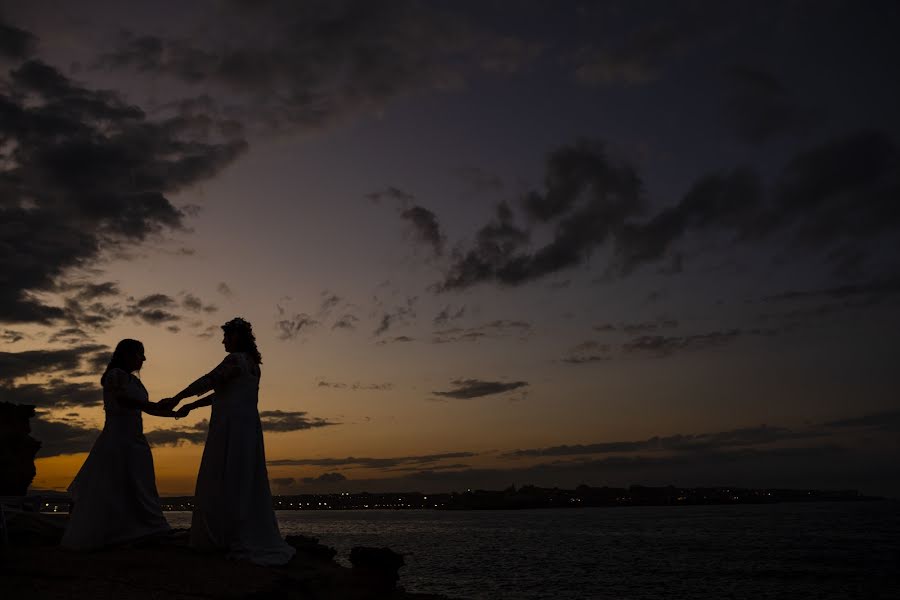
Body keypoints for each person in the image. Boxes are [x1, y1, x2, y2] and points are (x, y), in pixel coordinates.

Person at [164, 317, 295, 566]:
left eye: (227, 336)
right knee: (244, 477)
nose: (223, 341)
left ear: (237, 337)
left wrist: (177, 397)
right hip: (247, 427)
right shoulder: (253, 365)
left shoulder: (235, 360)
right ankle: (234, 530)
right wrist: (191, 405)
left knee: (223, 474)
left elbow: (210, 380)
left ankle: (223, 535)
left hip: (231, 427)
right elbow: (222, 391)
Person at [61, 339, 174, 549]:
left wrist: (174, 412)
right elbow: (124, 401)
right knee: (115, 482)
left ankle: (140, 528)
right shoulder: (115, 377)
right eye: (140, 353)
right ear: (127, 354)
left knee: (140, 483)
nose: (144, 359)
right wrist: (151, 405)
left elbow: (146, 408)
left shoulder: (136, 382)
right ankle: (118, 531)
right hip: (117, 438)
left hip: (136, 438)